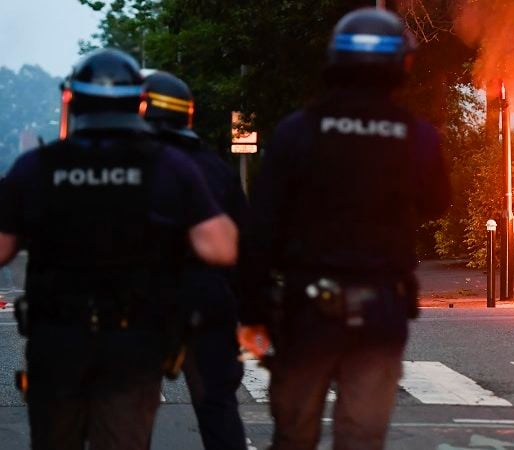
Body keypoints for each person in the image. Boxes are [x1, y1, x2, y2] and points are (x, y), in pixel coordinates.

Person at [0, 49, 238, 450]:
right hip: (133, 345)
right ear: (139, 103)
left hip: (57, 341)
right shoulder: (169, 166)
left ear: (72, 101)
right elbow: (220, 247)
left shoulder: (35, 167)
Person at [238, 7, 451, 450]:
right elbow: (437, 204)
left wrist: (253, 311)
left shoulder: (299, 130)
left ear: (334, 59)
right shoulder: (416, 136)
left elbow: (261, 226)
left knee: (294, 435)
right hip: (380, 312)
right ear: (401, 64)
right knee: (361, 438)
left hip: (306, 310)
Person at [140, 71, 248, 450]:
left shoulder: (126, 165)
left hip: (141, 307)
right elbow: (242, 246)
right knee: (217, 409)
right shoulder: (215, 167)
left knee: (128, 414)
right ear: (187, 114)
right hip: (207, 305)